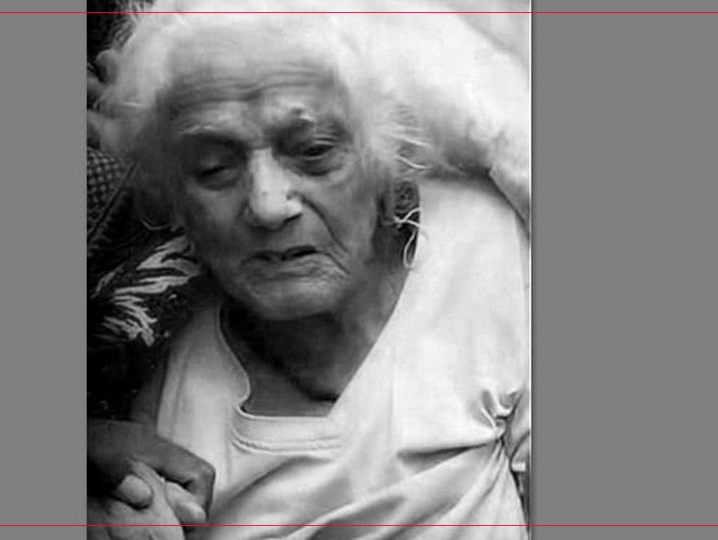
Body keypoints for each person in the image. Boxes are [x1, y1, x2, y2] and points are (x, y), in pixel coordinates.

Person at [87, 1, 531, 538]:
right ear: (173, 200)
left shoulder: (486, 258)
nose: (268, 205)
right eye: (214, 169)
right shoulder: (138, 376)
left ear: (384, 160)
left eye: (314, 152)